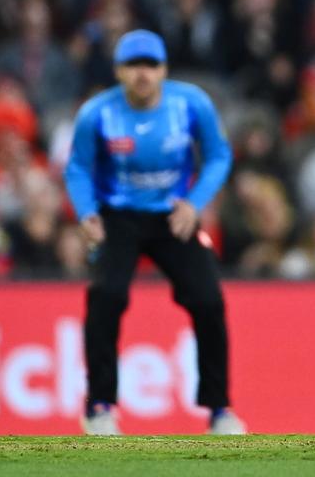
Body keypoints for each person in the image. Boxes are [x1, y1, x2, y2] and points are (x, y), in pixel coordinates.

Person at [63, 30, 244, 436]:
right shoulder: (97, 113)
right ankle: (99, 406)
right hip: (118, 216)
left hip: (173, 215)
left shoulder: (191, 103)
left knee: (208, 300)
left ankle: (219, 410)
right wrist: (88, 213)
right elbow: (78, 167)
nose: (142, 75)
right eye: (133, 66)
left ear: (163, 69)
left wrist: (194, 203)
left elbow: (218, 155)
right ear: (118, 72)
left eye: (150, 65)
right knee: (106, 297)